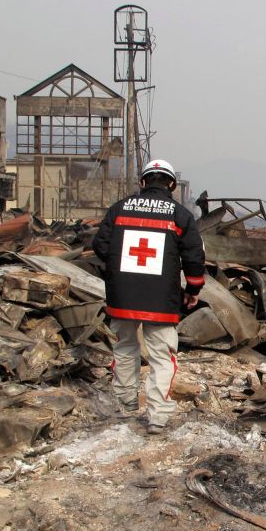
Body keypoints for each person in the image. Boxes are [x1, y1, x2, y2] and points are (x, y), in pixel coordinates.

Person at [93, 159, 206, 434]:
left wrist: (119, 273)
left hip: (122, 297)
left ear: (142, 183)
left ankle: (124, 406)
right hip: (161, 300)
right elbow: (193, 258)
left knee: (125, 348)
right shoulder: (180, 216)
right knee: (162, 357)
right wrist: (192, 291)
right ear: (172, 185)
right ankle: (157, 418)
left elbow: (100, 246)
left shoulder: (119, 209)